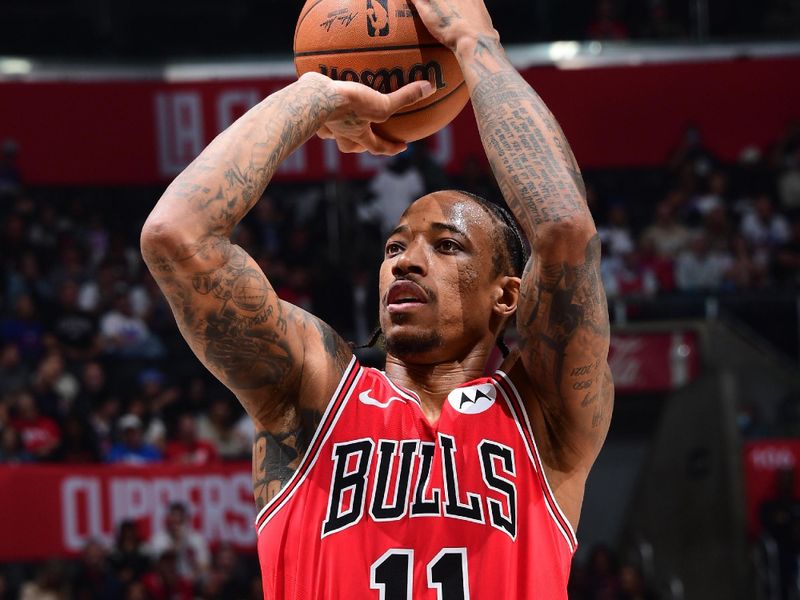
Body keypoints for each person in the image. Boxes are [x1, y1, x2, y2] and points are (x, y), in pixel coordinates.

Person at [140, 0, 613, 596]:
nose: (407, 261)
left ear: (506, 295)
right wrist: (315, 96)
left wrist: (475, 43)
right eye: (393, 249)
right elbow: (176, 236)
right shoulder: (315, 393)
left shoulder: (544, 415)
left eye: (447, 247)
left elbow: (564, 231)